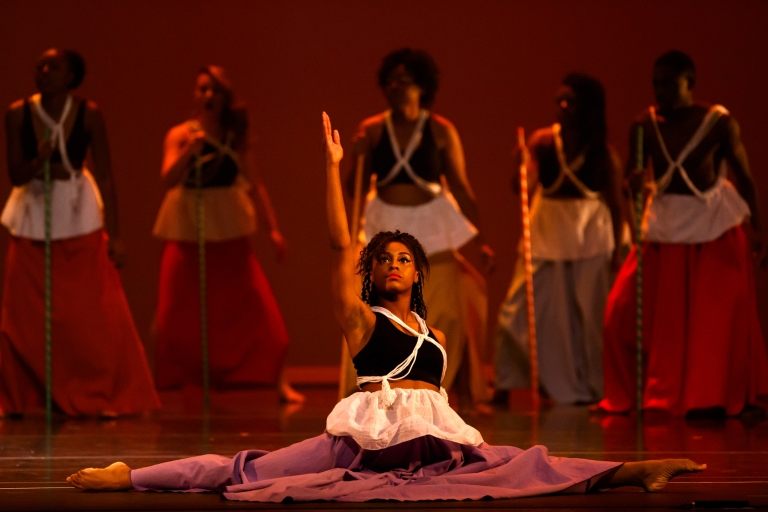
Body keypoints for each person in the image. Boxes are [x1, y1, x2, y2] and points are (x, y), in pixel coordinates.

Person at [65, 112, 706, 501]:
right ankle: (132, 476)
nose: (394, 263)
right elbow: (340, 239)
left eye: (405, 258)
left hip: (434, 439)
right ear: (371, 273)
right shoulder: (360, 318)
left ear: (418, 272)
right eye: (385, 258)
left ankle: (633, 471)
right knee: (249, 469)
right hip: (366, 442)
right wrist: (333, 168)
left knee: (524, 463)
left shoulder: (430, 326)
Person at [596, 50, 768, 416]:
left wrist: (759, 230)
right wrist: (634, 185)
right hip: (665, 230)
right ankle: (636, 397)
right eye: (655, 84)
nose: (660, 92)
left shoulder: (718, 121)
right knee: (619, 312)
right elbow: (632, 180)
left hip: (714, 230)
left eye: (669, 85)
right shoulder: (644, 125)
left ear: (690, 83)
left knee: (712, 327)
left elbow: (746, 177)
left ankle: (709, 400)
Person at [0, 48, 160, 417]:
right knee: (25, 313)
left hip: (77, 213)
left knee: (87, 312)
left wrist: (116, 235)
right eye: (40, 65)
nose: (44, 71)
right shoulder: (17, 114)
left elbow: (104, 173)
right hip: (33, 214)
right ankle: (28, 395)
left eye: (53, 66)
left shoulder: (88, 115)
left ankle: (94, 390)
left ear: (71, 75)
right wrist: (39, 159)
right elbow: (16, 173)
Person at [340, 48, 493, 410]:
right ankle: (373, 384)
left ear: (421, 87)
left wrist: (481, 241)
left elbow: (462, 188)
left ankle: (434, 384)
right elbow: (354, 189)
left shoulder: (440, 131)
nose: (396, 88)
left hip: (432, 224)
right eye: (391, 82)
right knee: (378, 304)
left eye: (404, 82)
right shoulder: (373, 129)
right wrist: (357, 154)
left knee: (446, 311)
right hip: (386, 222)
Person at [152, 66, 303, 403]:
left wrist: (274, 229)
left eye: (215, 90)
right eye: (202, 89)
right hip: (188, 230)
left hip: (228, 229)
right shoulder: (179, 135)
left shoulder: (234, 138)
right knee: (178, 310)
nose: (208, 96)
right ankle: (176, 382)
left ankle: (278, 380)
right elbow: (167, 180)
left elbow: (254, 184)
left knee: (256, 307)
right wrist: (189, 151)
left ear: (224, 97)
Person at [494, 74, 624, 406]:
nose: (563, 108)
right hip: (546, 232)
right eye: (559, 101)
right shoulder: (542, 142)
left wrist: (621, 249)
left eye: (571, 101)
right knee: (517, 311)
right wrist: (518, 165)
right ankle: (506, 385)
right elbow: (518, 187)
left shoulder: (602, 152)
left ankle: (593, 387)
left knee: (588, 319)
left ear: (587, 108)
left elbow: (615, 202)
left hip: (590, 237)